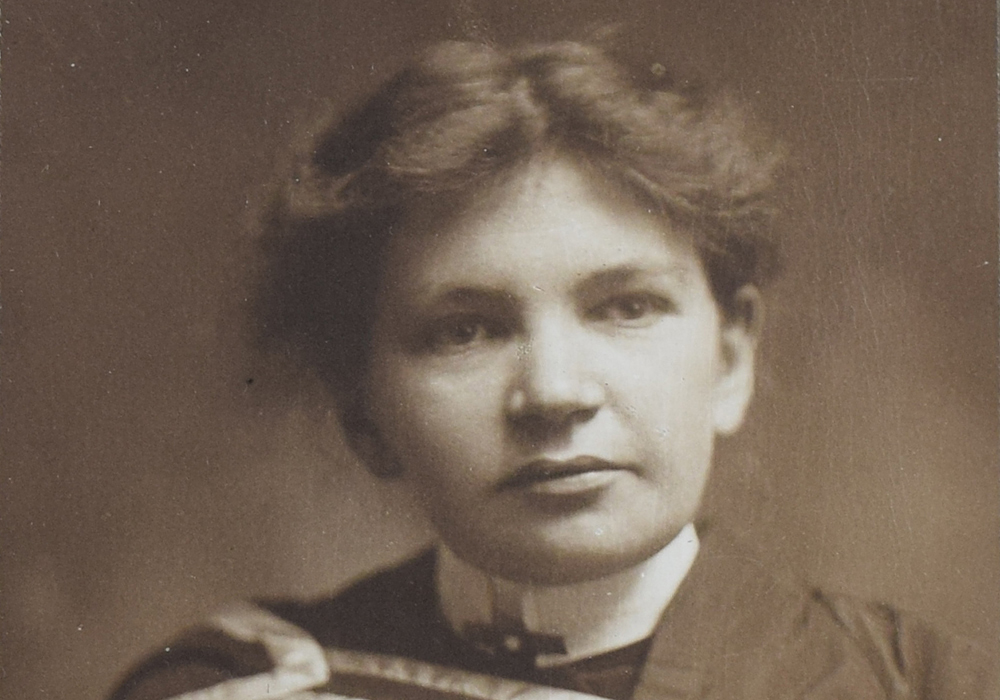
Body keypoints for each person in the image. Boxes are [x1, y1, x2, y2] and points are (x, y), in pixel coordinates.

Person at [109, 38, 997, 700]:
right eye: (465, 331)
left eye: (626, 307)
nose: (557, 393)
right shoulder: (243, 682)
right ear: (363, 409)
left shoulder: (926, 686)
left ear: (730, 358)